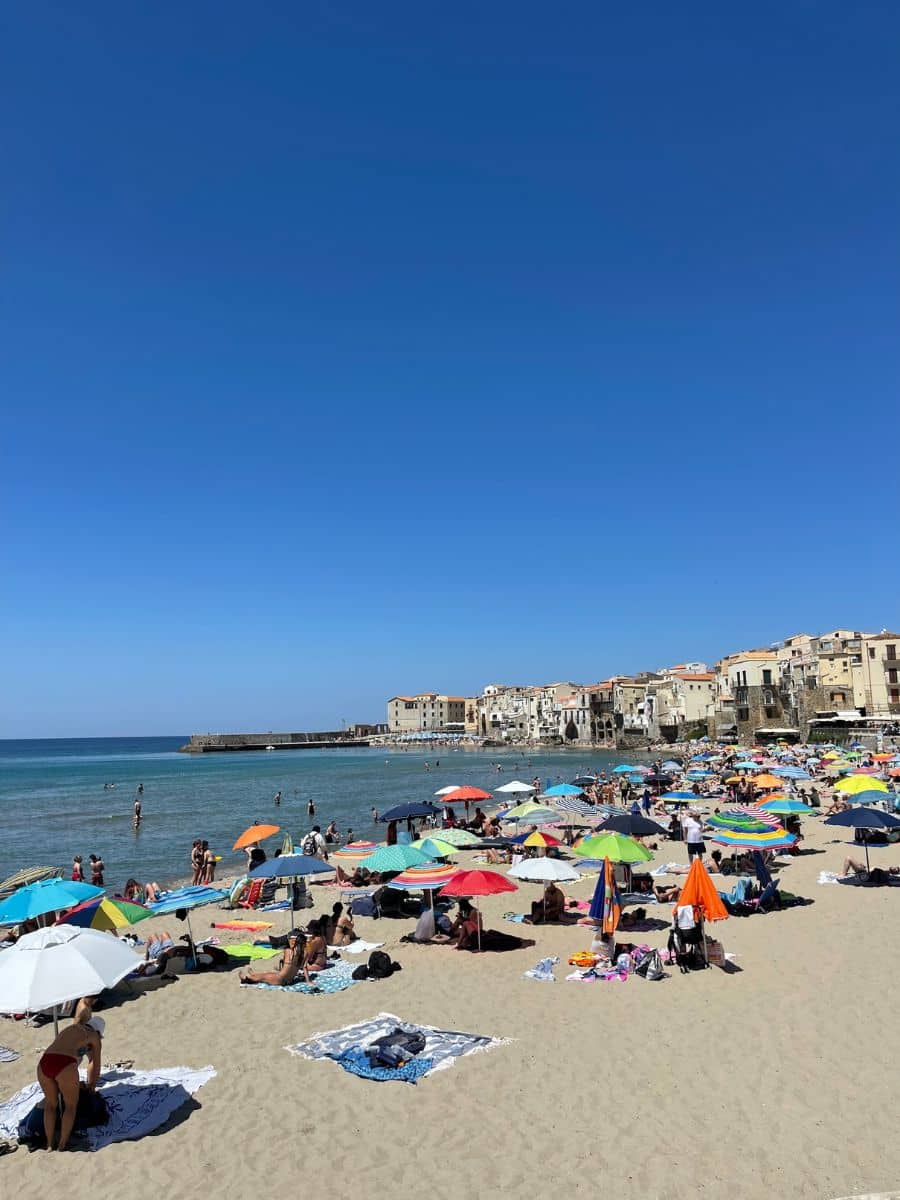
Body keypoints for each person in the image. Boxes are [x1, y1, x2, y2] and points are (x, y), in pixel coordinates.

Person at [36, 1016, 104, 1151]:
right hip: (65, 1063)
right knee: (70, 1106)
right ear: (98, 1032)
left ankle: (49, 1144)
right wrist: (91, 1086)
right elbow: (94, 1064)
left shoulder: (71, 1029)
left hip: (45, 1062)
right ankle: (62, 1144)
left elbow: (62, 1048)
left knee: (51, 1104)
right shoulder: (94, 1036)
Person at [240, 931, 309, 987]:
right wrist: (308, 981)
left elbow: (284, 963)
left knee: (263, 977)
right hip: (289, 981)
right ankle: (254, 974)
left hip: (280, 979)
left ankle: (246, 978)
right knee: (270, 972)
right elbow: (304, 967)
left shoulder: (288, 951)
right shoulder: (305, 953)